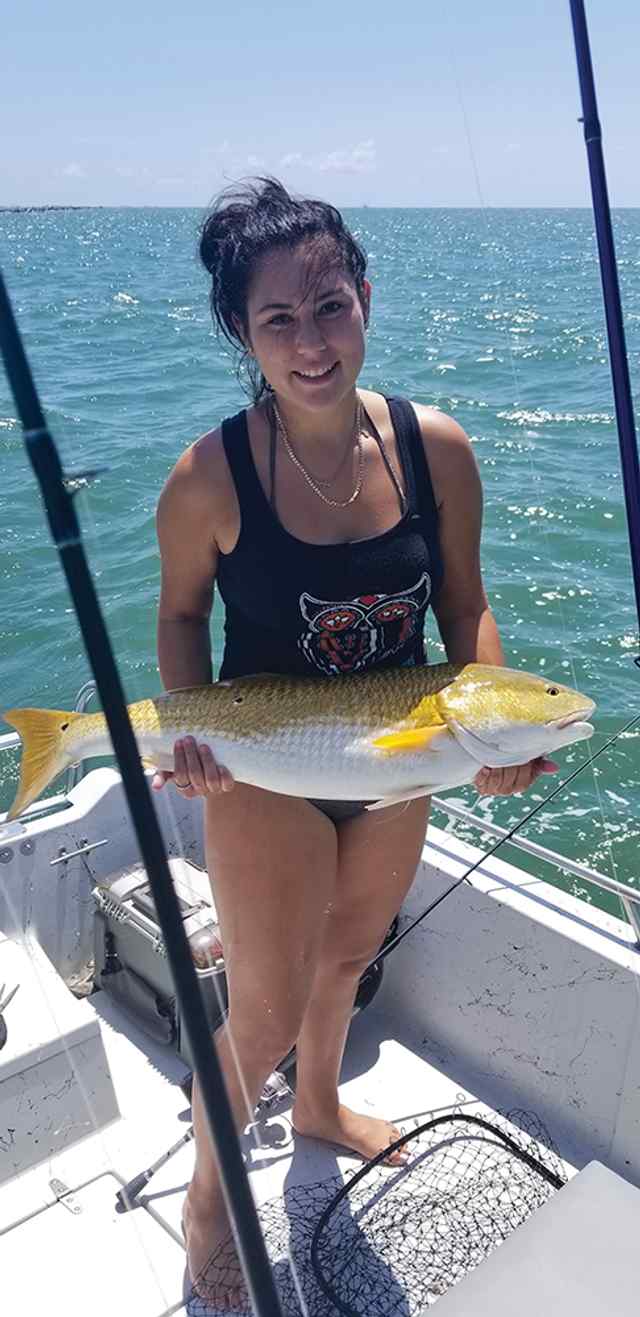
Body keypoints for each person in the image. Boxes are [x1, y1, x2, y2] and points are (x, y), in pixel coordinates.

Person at [153, 177, 557, 1305]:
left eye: (329, 306)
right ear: (242, 332)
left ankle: (322, 1104)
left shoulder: (437, 450)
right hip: (267, 764)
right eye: (278, 318)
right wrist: (193, 725)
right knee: (264, 1013)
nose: (311, 342)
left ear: (365, 298)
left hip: (399, 751)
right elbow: (180, 615)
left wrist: (491, 727)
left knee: (348, 959)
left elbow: (466, 604)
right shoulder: (207, 478)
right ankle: (207, 1200)